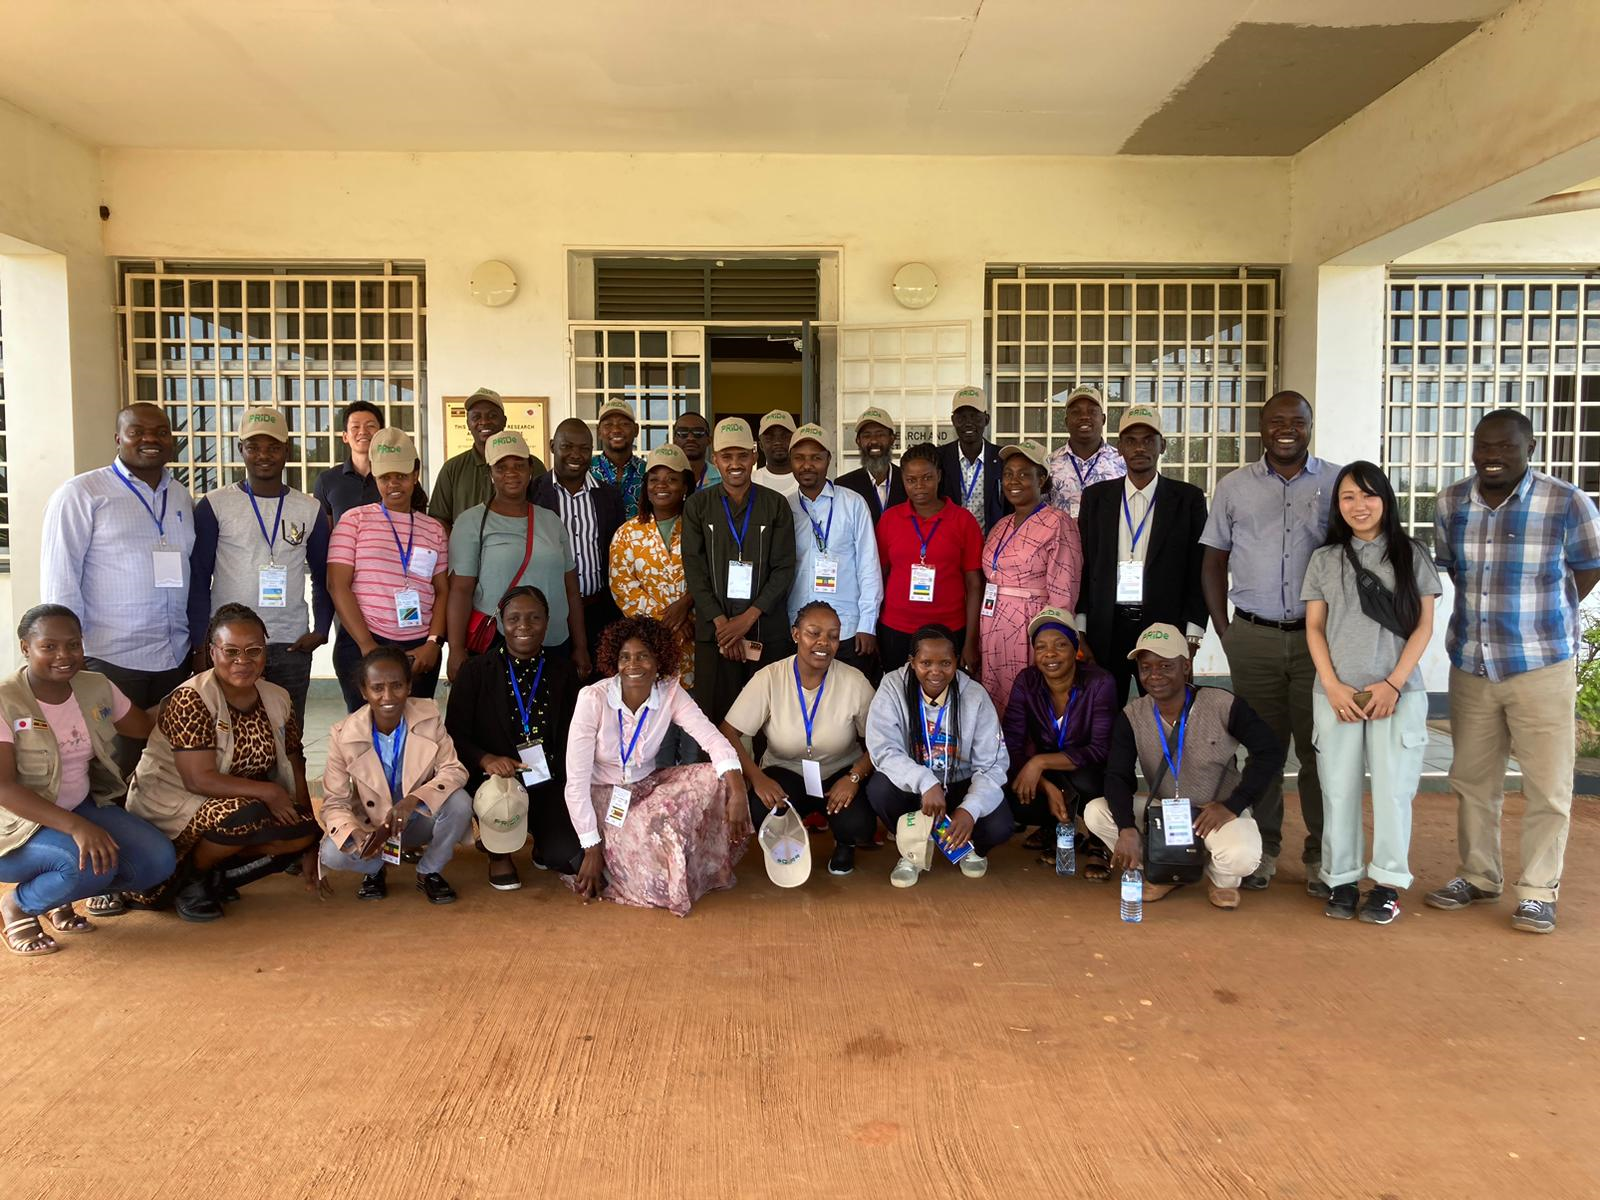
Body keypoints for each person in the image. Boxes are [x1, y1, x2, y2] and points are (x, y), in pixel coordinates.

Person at [1424, 410, 1600, 935]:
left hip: (1540, 666)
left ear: (1531, 448)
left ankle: (1539, 891)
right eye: (1483, 446)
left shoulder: (1567, 502)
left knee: (1548, 785)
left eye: (1504, 447)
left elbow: (1588, 567)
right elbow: (1453, 568)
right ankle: (1479, 876)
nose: (1492, 456)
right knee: (1474, 781)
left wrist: (1546, 619)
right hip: (1472, 664)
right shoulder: (1451, 503)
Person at [1200, 389, 1338, 894]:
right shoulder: (1234, 487)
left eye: (1296, 421)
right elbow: (1213, 559)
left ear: (1309, 424)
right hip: (1253, 637)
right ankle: (1266, 849)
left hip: (1317, 642)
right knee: (1263, 750)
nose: (1287, 429)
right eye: (1276, 421)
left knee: (1322, 750)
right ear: (1261, 427)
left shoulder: (1336, 482)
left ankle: (1325, 855)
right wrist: (1225, 630)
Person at [1303, 462, 1440, 925]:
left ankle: (1386, 885)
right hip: (1337, 694)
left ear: (1385, 499)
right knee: (1337, 792)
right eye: (1347, 497)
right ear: (1338, 506)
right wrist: (1332, 685)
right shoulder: (1325, 559)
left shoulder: (1412, 554)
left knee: (1392, 793)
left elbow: (1424, 627)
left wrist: (1394, 683)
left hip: (1396, 695)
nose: (1358, 506)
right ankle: (1341, 879)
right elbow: (1315, 628)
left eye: (1368, 495)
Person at [125, 604, 320, 922]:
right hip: (174, 802)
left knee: (303, 832)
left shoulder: (278, 697)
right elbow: (198, 780)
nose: (243, 661)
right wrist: (269, 792)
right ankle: (191, 880)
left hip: (241, 799)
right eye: (231, 651)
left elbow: (294, 762)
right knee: (245, 814)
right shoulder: (191, 698)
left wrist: (309, 840)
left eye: (254, 650)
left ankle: (218, 875)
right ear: (213, 652)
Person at [0, 605, 176, 956]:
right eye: (48, 646)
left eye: (73, 645)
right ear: (25, 648)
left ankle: (57, 897)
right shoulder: (6, 699)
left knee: (158, 860)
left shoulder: (95, 686)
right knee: (88, 867)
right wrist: (77, 827)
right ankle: (18, 905)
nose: (64, 656)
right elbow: (3, 788)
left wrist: (198, 692)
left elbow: (142, 726)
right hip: (14, 827)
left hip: (81, 806)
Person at [41, 402, 196, 772]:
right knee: (112, 767)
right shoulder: (81, 494)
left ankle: (158, 830)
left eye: (160, 432)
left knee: (164, 764)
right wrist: (68, 656)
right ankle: (111, 829)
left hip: (173, 656)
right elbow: (59, 581)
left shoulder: (180, 497)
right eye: (137, 431)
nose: (150, 439)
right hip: (111, 658)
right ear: (117, 439)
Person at [564, 616, 752, 916]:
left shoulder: (669, 692)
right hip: (604, 796)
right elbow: (575, 783)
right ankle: (622, 855)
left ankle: (696, 863)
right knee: (653, 879)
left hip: (648, 787)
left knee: (715, 777)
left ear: (658, 659)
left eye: (643, 656)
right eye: (624, 657)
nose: (633, 665)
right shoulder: (593, 699)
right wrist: (591, 848)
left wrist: (738, 790)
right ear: (615, 660)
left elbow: (713, 740)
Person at [1086, 624, 1281, 910]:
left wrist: (1233, 804)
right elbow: (1117, 774)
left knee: (1242, 855)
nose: (1154, 675)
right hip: (1165, 815)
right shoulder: (1132, 715)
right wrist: (1126, 827)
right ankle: (1164, 870)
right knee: (1097, 812)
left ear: (1186, 667)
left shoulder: (1222, 704)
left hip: (1214, 812)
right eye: (1146, 666)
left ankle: (1221, 878)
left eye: (1166, 666)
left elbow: (1270, 751)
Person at [188, 407, 331, 725]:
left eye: (273, 447)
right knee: (230, 734)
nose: (263, 455)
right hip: (230, 644)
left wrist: (320, 629)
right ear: (241, 450)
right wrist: (201, 643)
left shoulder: (309, 508)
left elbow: (324, 575)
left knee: (288, 736)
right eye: (253, 447)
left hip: (289, 643)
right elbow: (198, 579)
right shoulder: (215, 505)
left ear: (287, 450)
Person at [721, 602, 877, 878]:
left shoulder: (855, 681)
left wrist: (854, 778)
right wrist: (756, 777)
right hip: (786, 772)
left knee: (859, 824)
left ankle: (844, 843)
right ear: (795, 635)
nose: (823, 643)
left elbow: (881, 742)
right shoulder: (770, 677)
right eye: (813, 633)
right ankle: (789, 838)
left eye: (832, 635)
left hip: (838, 773)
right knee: (761, 807)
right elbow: (728, 732)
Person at [446, 587, 583, 890]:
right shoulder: (475, 671)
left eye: (534, 618)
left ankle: (538, 838)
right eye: (514, 618)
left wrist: (566, 777)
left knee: (565, 856)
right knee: (498, 798)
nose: (524, 626)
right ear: (501, 623)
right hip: (495, 781)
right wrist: (486, 759)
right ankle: (499, 853)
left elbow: (574, 732)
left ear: (547, 623)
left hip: (546, 777)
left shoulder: (563, 671)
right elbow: (453, 733)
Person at [317, 646, 472, 905]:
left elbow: (454, 770)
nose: (387, 696)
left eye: (397, 685)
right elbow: (335, 803)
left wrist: (413, 800)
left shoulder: (429, 717)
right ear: (364, 691)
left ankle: (429, 870)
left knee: (460, 802)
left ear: (409, 687)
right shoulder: (343, 734)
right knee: (332, 854)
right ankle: (375, 869)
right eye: (377, 688)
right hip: (373, 828)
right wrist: (356, 833)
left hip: (416, 818)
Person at [1076, 403, 1209, 704]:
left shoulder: (1187, 499)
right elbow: (1083, 564)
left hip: (1164, 626)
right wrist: (1081, 627)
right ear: (1120, 447)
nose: (1140, 448)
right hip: (1106, 628)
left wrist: (1192, 635)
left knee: (1169, 712)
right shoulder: (1096, 498)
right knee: (1105, 714)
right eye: (1131, 440)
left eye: (1148, 440)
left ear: (1162, 445)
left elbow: (1198, 568)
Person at [865, 624, 1011, 887]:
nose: (935, 671)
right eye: (925, 662)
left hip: (959, 783)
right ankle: (913, 845)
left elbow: (992, 764)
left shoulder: (974, 695)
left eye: (945, 662)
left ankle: (967, 846)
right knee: (880, 789)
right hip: (917, 788)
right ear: (912, 662)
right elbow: (884, 750)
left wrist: (969, 809)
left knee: (999, 825)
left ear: (956, 661)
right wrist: (924, 781)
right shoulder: (892, 686)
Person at [681, 418, 798, 727]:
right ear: (715, 458)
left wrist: (746, 620)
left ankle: (763, 776)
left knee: (768, 723)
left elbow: (784, 567)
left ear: (754, 455)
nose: (735, 464)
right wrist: (723, 624)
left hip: (765, 631)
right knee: (715, 721)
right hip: (715, 634)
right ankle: (722, 777)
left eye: (742, 455)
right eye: (727, 456)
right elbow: (694, 568)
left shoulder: (776, 505)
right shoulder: (698, 506)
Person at [446, 430, 588, 681]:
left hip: (554, 640)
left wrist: (580, 646)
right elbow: (460, 590)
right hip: (497, 640)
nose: (511, 473)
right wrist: (456, 649)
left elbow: (571, 589)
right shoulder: (471, 522)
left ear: (530, 469)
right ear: (490, 473)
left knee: (553, 716)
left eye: (519, 465)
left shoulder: (551, 521)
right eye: (501, 467)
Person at [327, 427, 449, 712]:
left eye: (402, 476)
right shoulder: (354, 521)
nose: (394, 484)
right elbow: (337, 585)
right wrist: (368, 646)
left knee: (417, 735)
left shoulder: (433, 529)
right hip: (363, 645)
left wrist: (433, 642)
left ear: (415, 474)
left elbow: (442, 590)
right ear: (374, 476)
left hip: (420, 651)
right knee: (365, 737)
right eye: (385, 477)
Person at [1002, 608, 1116, 873]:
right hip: (1052, 774)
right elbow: (1011, 743)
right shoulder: (1026, 682)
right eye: (1041, 647)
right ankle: (1059, 829)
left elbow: (1099, 750)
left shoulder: (1100, 682)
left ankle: (1099, 842)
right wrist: (1042, 782)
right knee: (1009, 793)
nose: (1049, 654)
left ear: (1075, 648)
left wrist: (1039, 762)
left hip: (1093, 774)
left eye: (1060, 645)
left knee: (1084, 779)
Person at [609, 445, 699, 766]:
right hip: (651, 649)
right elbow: (624, 589)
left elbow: (711, 578)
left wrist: (689, 611)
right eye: (654, 479)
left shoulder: (699, 526)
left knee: (693, 742)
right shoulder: (628, 534)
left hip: (695, 646)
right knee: (654, 744)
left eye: (671, 479)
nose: (662, 485)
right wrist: (670, 620)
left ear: (686, 485)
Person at [978, 439, 1082, 710]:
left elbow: (1064, 590)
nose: (1014, 481)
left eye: (1024, 474)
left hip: (1031, 626)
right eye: (1008, 474)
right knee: (996, 699)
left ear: (1042, 479)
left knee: (1028, 698)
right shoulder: (1001, 524)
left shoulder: (1058, 522)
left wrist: (1052, 641)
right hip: (994, 626)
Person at [876, 443, 983, 672]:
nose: (919, 487)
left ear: (939, 476)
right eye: (911, 480)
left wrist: (971, 641)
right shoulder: (889, 520)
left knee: (945, 695)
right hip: (896, 628)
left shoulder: (963, 521)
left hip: (949, 628)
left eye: (927, 478)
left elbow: (974, 584)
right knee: (899, 695)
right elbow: (879, 576)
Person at [785, 423, 881, 673]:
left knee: (850, 702)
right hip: (799, 628)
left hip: (847, 629)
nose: (807, 465)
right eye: (800, 458)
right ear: (791, 461)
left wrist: (867, 625)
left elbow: (868, 567)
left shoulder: (853, 504)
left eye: (816, 458)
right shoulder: (784, 507)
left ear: (829, 459)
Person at [535, 417, 626, 663]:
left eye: (584, 448)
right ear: (553, 446)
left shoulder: (609, 496)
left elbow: (617, 553)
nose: (576, 454)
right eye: (567, 446)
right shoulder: (533, 494)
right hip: (550, 613)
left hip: (600, 611)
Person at [428, 387, 546, 532]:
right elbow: (439, 520)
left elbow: (544, 513)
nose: (484, 422)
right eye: (476, 417)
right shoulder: (452, 468)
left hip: (520, 550)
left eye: (492, 415)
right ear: (468, 423)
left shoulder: (530, 464)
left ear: (504, 421)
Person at [313, 400, 427, 526]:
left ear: (381, 433)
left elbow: (418, 525)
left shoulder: (399, 480)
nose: (363, 432)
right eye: (355, 427)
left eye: (370, 426)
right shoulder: (327, 481)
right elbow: (324, 533)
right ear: (345, 436)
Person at [1046, 385, 1125, 519]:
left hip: (1106, 540)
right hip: (1060, 540)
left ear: (1103, 419)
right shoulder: (1049, 464)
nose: (1084, 417)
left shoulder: (1122, 462)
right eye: (1076, 412)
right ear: (1066, 421)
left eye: (1092, 411)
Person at [938, 385, 1005, 532]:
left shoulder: (1002, 458)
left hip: (992, 545)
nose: (968, 422)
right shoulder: (940, 458)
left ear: (986, 419)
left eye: (974, 416)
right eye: (961, 417)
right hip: (951, 543)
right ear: (953, 421)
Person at [836, 407, 906, 520]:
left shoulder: (908, 480)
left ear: (892, 439)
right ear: (858, 441)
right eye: (867, 436)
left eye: (880, 434)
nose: (874, 441)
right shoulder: (844, 485)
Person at [590, 397, 647, 520]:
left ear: (636, 430)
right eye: (608, 424)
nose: (616, 430)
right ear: (599, 431)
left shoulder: (648, 471)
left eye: (624, 424)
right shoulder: (586, 471)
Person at [751, 409, 800, 497]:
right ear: (761, 445)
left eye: (785, 436)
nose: (778, 442)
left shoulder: (813, 480)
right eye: (770, 438)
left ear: (795, 441)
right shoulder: (751, 482)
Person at [673, 411, 722, 492]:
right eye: (682, 432)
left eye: (698, 432)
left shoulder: (722, 478)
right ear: (674, 440)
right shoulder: (663, 480)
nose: (690, 438)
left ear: (709, 440)